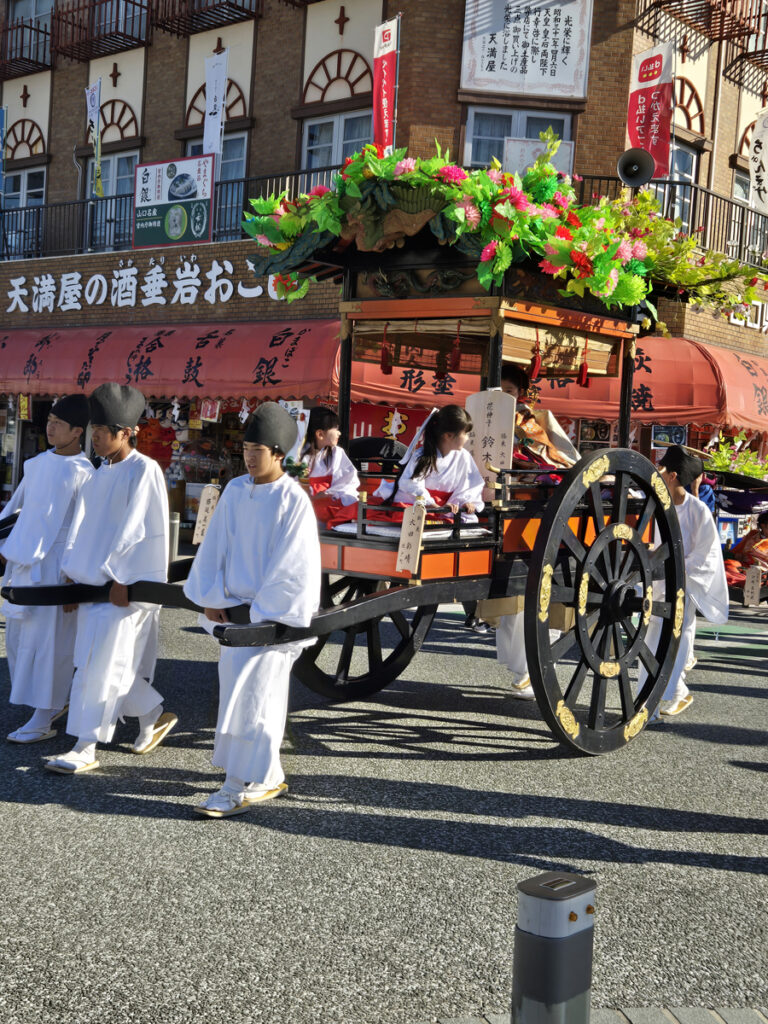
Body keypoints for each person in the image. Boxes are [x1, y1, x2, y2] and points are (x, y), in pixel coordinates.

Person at [183, 402, 321, 819]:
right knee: (236, 695)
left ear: (279, 452)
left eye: (257, 449)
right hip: (233, 611)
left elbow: (293, 566)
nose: (248, 456)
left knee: (257, 698)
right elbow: (215, 548)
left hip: (272, 617)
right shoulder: (236, 490)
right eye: (245, 448)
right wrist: (211, 596)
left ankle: (235, 786)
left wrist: (263, 612)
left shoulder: (293, 499)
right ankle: (266, 775)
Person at [45, 383, 175, 774]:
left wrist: (124, 578)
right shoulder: (99, 473)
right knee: (95, 660)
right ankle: (153, 712)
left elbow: (142, 531)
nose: (95, 438)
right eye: (93, 431)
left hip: (123, 587)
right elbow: (83, 531)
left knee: (102, 664)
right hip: (92, 584)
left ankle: (85, 746)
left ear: (126, 432)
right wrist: (72, 577)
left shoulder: (144, 470)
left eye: (103, 431)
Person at [1, 396, 93, 743]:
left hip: (58, 568)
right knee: (20, 638)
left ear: (77, 431)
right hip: (24, 562)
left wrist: (73, 578)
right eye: (49, 420)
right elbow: (15, 509)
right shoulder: (36, 464)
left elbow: (84, 527)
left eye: (58, 423)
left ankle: (44, 717)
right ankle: (43, 705)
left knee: (52, 642)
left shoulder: (85, 472)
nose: (49, 427)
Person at [494, 365, 579, 696]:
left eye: (510, 392)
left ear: (521, 393)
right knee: (514, 596)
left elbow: (564, 458)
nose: (505, 398)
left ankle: (538, 665)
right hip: (501, 500)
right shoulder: (485, 421)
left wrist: (530, 465)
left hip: (541, 505)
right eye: (498, 392)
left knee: (546, 590)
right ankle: (524, 667)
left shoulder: (537, 420)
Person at [643, 445, 729, 717]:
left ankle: (651, 705)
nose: (657, 473)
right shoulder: (657, 503)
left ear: (673, 476)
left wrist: (671, 567)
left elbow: (707, 554)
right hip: (657, 583)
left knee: (673, 641)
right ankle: (672, 694)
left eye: (662, 469)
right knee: (652, 641)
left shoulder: (698, 510)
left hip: (682, 585)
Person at [392, 405, 484, 519]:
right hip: (423, 506)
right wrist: (434, 506)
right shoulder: (422, 455)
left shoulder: (464, 456)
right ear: (448, 435)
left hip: (450, 508)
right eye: (465, 433)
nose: (467, 438)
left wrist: (466, 501)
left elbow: (471, 485)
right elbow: (411, 484)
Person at [501, 363, 579, 470]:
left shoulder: (525, 415)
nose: (503, 395)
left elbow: (534, 442)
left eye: (509, 391)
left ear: (520, 391)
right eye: (499, 391)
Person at [300, 406, 359, 527]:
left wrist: (329, 494)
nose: (339, 433)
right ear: (320, 434)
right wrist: (311, 495)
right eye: (336, 428)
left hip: (327, 504)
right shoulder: (298, 456)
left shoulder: (337, 453)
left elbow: (348, 481)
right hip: (303, 505)